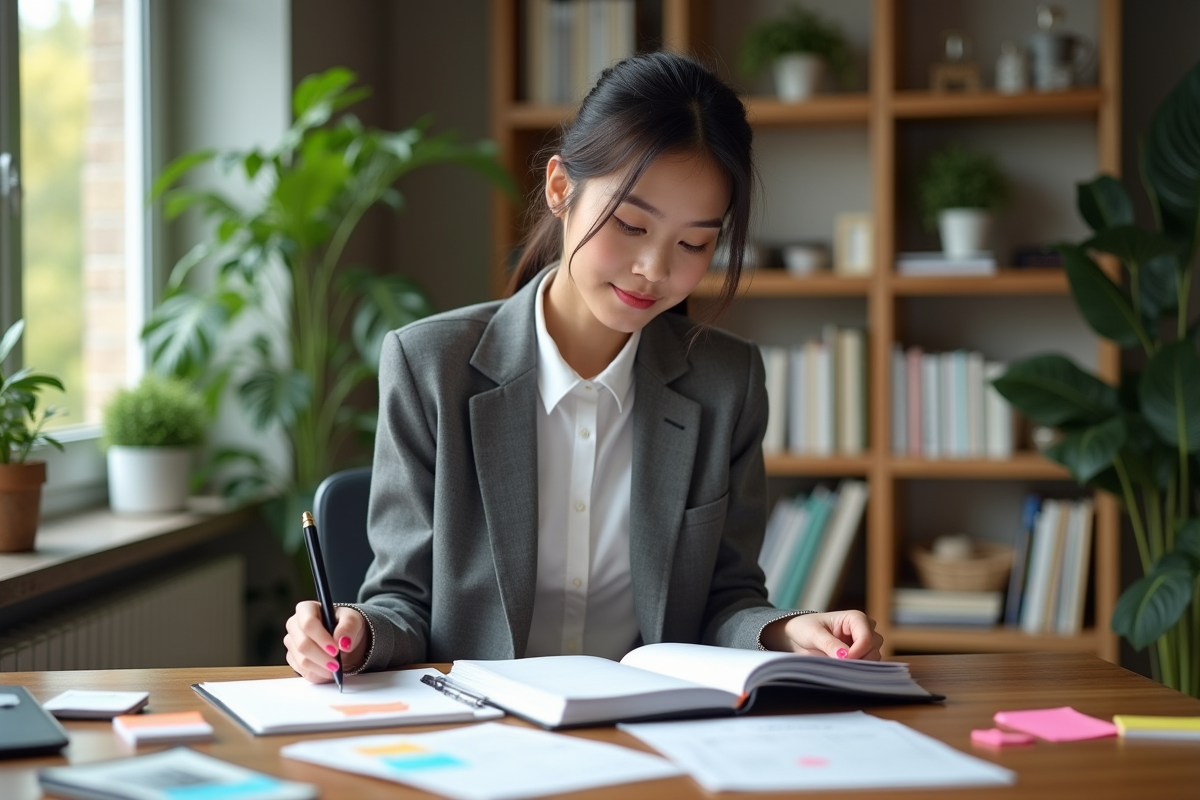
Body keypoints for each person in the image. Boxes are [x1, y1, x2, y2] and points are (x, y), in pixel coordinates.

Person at [284, 51, 884, 683]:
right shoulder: (430, 366)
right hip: (483, 733)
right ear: (560, 188)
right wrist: (356, 633)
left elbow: (725, 599)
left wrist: (785, 630)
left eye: (694, 244)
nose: (654, 269)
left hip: (651, 732)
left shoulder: (726, 383)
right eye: (629, 224)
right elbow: (403, 602)